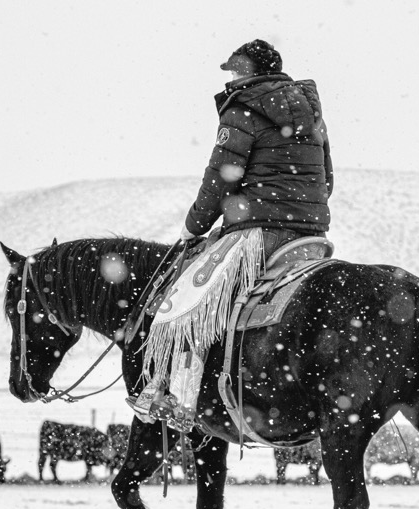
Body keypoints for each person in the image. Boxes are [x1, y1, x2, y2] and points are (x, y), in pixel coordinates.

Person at [129, 39, 334, 427]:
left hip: (258, 234)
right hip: (310, 237)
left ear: (251, 71)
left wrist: (195, 226)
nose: (234, 77)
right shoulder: (312, 114)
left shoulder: (242, 109)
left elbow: (220, 178)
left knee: (184, 301)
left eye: (236, 70)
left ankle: (174, 398)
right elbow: (326, 181)